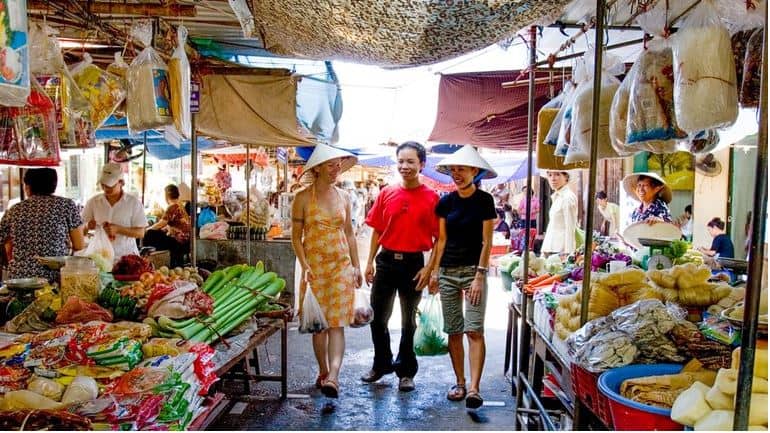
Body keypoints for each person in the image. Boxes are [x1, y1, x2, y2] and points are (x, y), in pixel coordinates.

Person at [362, 141, 439, 392]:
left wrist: (429, 269)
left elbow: (440, 239)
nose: (404, 166)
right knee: (378, 318)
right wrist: (369, 262)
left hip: (414, 265)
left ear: (422, 165)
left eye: (410, 162)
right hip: (386, 261)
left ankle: (406, 371)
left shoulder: (431, 198)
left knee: (409, 322)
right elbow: (376, 230)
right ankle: (381, 363)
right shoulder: (386, 193)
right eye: (401, 162)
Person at [290, 143, 362, 399]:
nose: (337, 169)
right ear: (318, 167)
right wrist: (305, 265)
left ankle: (333, 376)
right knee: (319, 326)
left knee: (337, 324)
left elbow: (350, 234)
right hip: (315, 270)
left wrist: (356, 266)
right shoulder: (301, 198)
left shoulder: (344, 196)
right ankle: (323, 371)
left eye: (339, 164)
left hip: (341, 267)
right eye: (331, 164)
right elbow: (296, 238)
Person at [429, 145, 497, 410]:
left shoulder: (484, 201)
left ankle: (474, 388)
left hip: (473, 272)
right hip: (447, 272)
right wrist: (434, 271)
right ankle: (459, 381)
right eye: (453, 169)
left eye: (462, 169)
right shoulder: (445, 202)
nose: (457, 173)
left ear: (475, 171)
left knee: (474, 330)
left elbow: (486, 242)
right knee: (454, 331)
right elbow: (441, 240)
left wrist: (480, 276)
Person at [0, 168, 85, 281]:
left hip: (20, 278)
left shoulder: (15, 209)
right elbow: (79, 245)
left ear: (28, 186)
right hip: (53, 277)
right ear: (54, 185)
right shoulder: (67, 205)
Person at [83, 163, 147, 260]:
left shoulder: (133, 203)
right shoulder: (93, 202)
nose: (105, 189)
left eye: (110, 185)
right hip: (100, 257)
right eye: (103, 185)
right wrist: (87, 226)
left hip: (126, 257)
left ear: (121, 182)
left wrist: (119, 229)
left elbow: (141, 233)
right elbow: (80, 229)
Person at [144, 184, 192, 267]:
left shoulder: (172, 207)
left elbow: (161, 224)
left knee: (150, 233)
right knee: (156, 232)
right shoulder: (180, 206)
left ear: (166, 196)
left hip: (178, 242)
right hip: (186, 241)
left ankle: (146, 257)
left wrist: (147, 229)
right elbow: (172, 225)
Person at [541, 171, 578, 254]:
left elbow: (570, 227)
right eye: (550, 175)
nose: (553, 179)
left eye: (557, 174)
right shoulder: (557, 197)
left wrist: (568, 253)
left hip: (560, 250)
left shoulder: (568, 197)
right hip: (551, 248)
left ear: (566, 177)